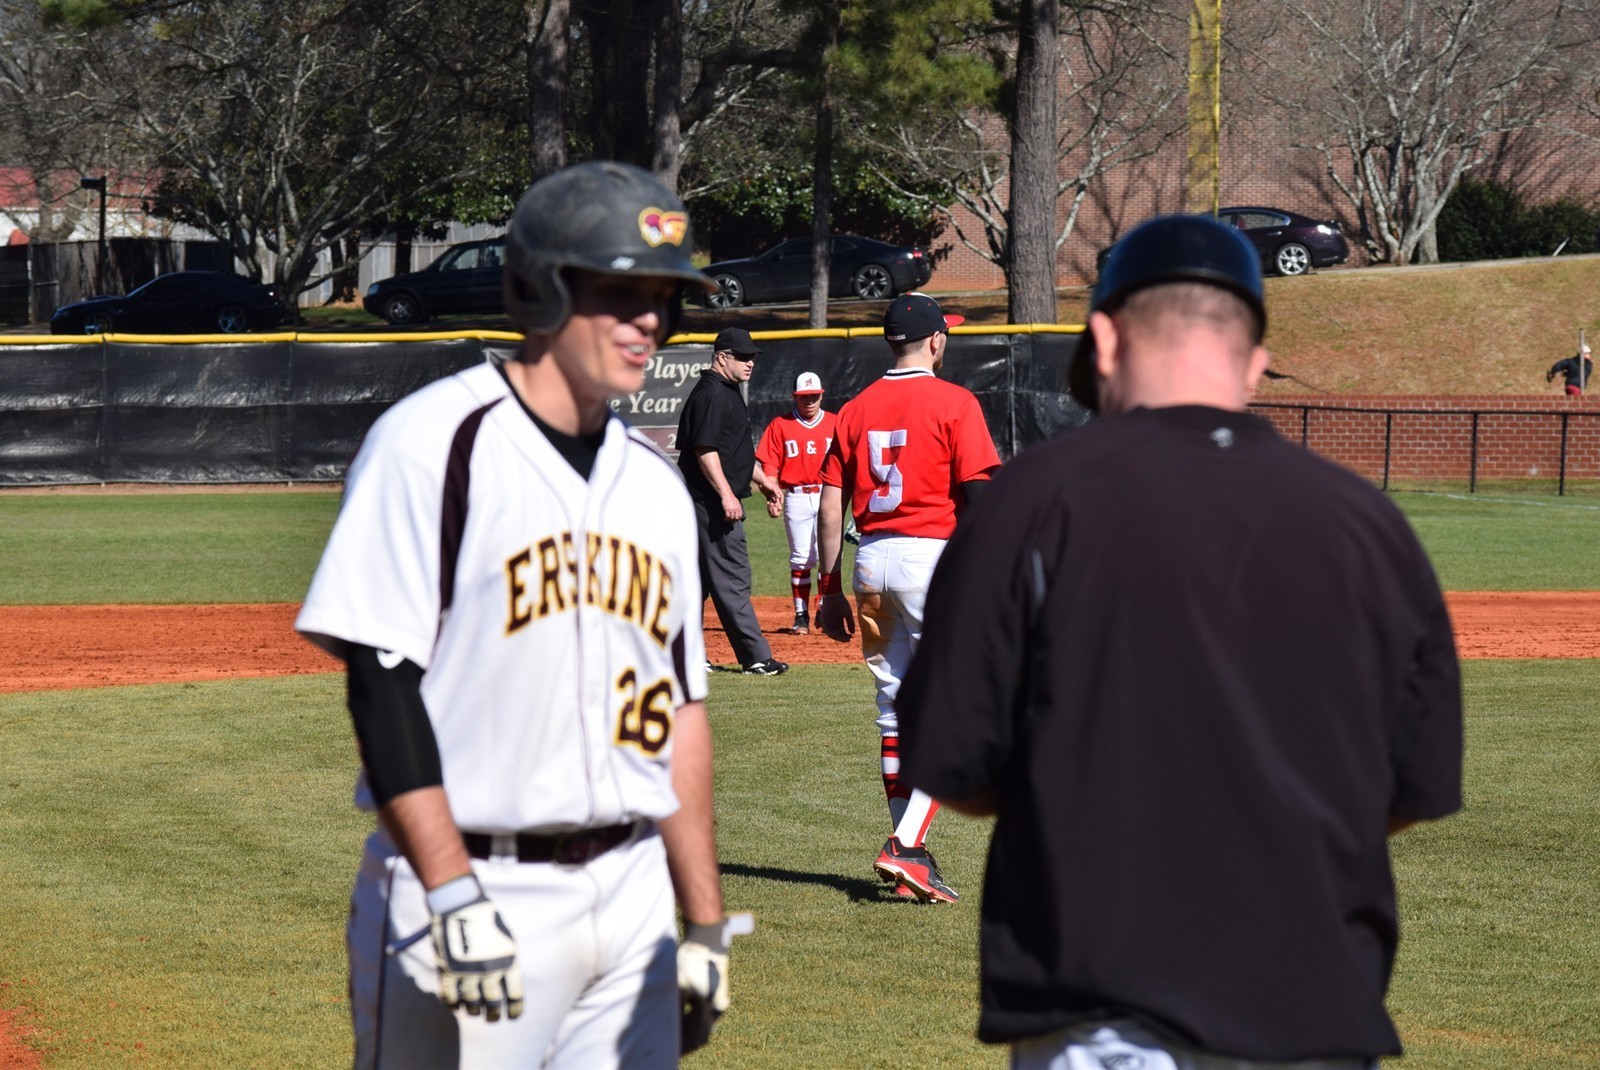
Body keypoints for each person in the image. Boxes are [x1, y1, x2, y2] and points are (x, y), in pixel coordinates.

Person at [895, 214, 1463, 1068]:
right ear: (1256, 358)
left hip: (1101, 1010)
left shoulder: (1029, 502)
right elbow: (1412, 789)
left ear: (1103, 340)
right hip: (1313, 1009)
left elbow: (956, 769)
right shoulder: (1368, 524)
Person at [295, 160, 748, 1070]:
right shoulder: (434, 443)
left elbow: (679, 716)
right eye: (621, 292)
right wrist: (452, 895)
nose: (650, 321)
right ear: (540, 290)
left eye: (663, 297)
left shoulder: (655, 488)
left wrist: (701, 921)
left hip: (627, 898)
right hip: (469, 883)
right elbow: (382, 684)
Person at [816, 292, 1000, 904]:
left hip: (870, 559)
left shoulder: (855, 409)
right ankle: (905, 845)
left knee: (894, 710)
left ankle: (911, 859)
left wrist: (828, 585)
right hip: (930, 559)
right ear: (936, 340)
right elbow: (980, 493)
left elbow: (829, 503)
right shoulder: (956, 401)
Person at [676, 327, 787, 675]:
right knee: (732, 577)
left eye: (752, 356)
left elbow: (731, 453)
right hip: (708, 504)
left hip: (699, 502)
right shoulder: (712, 395)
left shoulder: (724, 390)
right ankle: (756, 657)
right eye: (742, 356)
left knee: (699, 582)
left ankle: (687, 656)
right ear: (722, 357)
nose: (750, 362)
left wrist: (765, 481)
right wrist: (726, 494)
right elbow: (705, 450)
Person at [753, 371, 839, 634]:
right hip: (797, 496)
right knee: (802, 558)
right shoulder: (780, 425)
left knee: (830, 558)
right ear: (795, 397)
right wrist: (771, 493)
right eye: (805, 396)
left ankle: (824, 608)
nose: (810, 401)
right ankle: (801, 615)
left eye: (814, 395)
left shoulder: (836, 423)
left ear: (821, 394)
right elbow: (770, 462)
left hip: (829, 494)